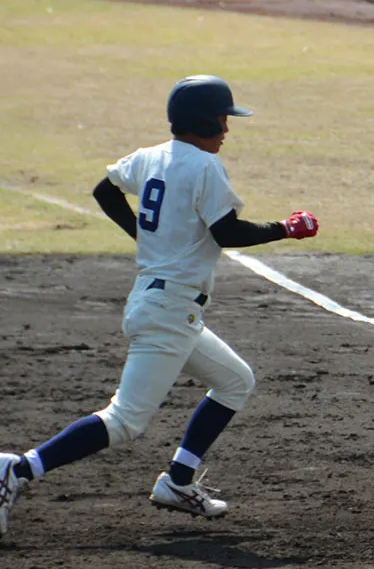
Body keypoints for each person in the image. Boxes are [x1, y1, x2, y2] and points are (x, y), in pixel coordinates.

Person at [0, 75, 320, 538]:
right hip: (167, 310)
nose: (227, 130)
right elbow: (226, 233)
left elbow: (104, 190)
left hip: (166, 305)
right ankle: (19, 468)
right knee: (125, 419)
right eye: (223, 120)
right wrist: (285, 229)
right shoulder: (205, 168)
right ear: (204, 120)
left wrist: (141, 236)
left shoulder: (150, 156)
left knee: (235, 381)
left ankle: (177, 481)